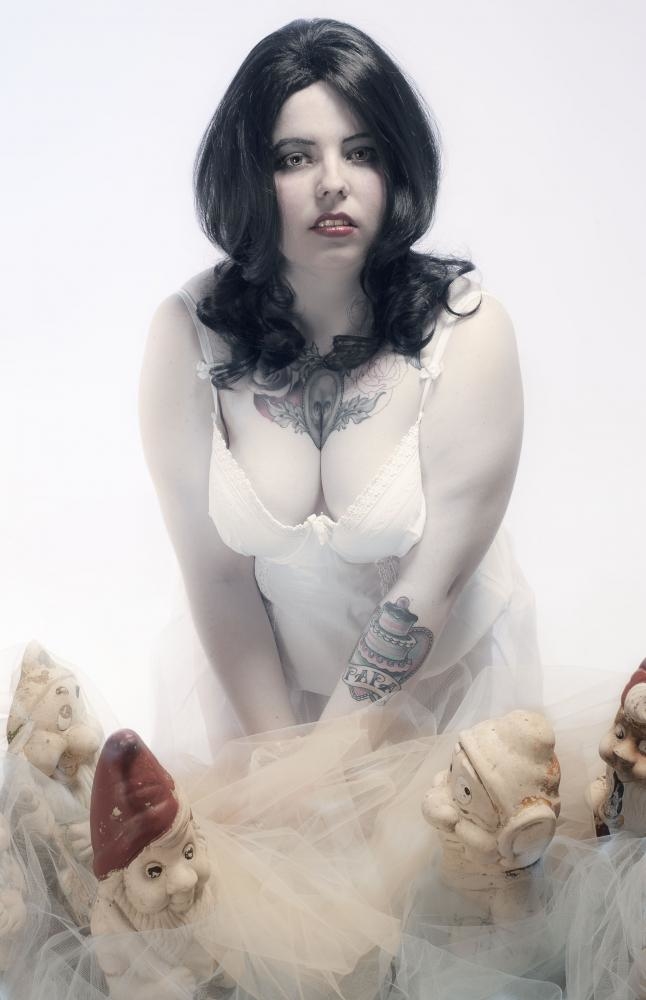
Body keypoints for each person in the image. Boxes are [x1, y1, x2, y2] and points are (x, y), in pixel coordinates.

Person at [139, 18, 541, 764]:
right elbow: (218, 580)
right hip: (263, 709)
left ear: (396, 167)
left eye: (362, 152)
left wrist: (321, 774)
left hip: (440, 714)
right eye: (295, 157)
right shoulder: (186, 334)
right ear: (248, 176)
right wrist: (281, 766)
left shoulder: (469, 330)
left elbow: (431, 586)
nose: (333, 181)